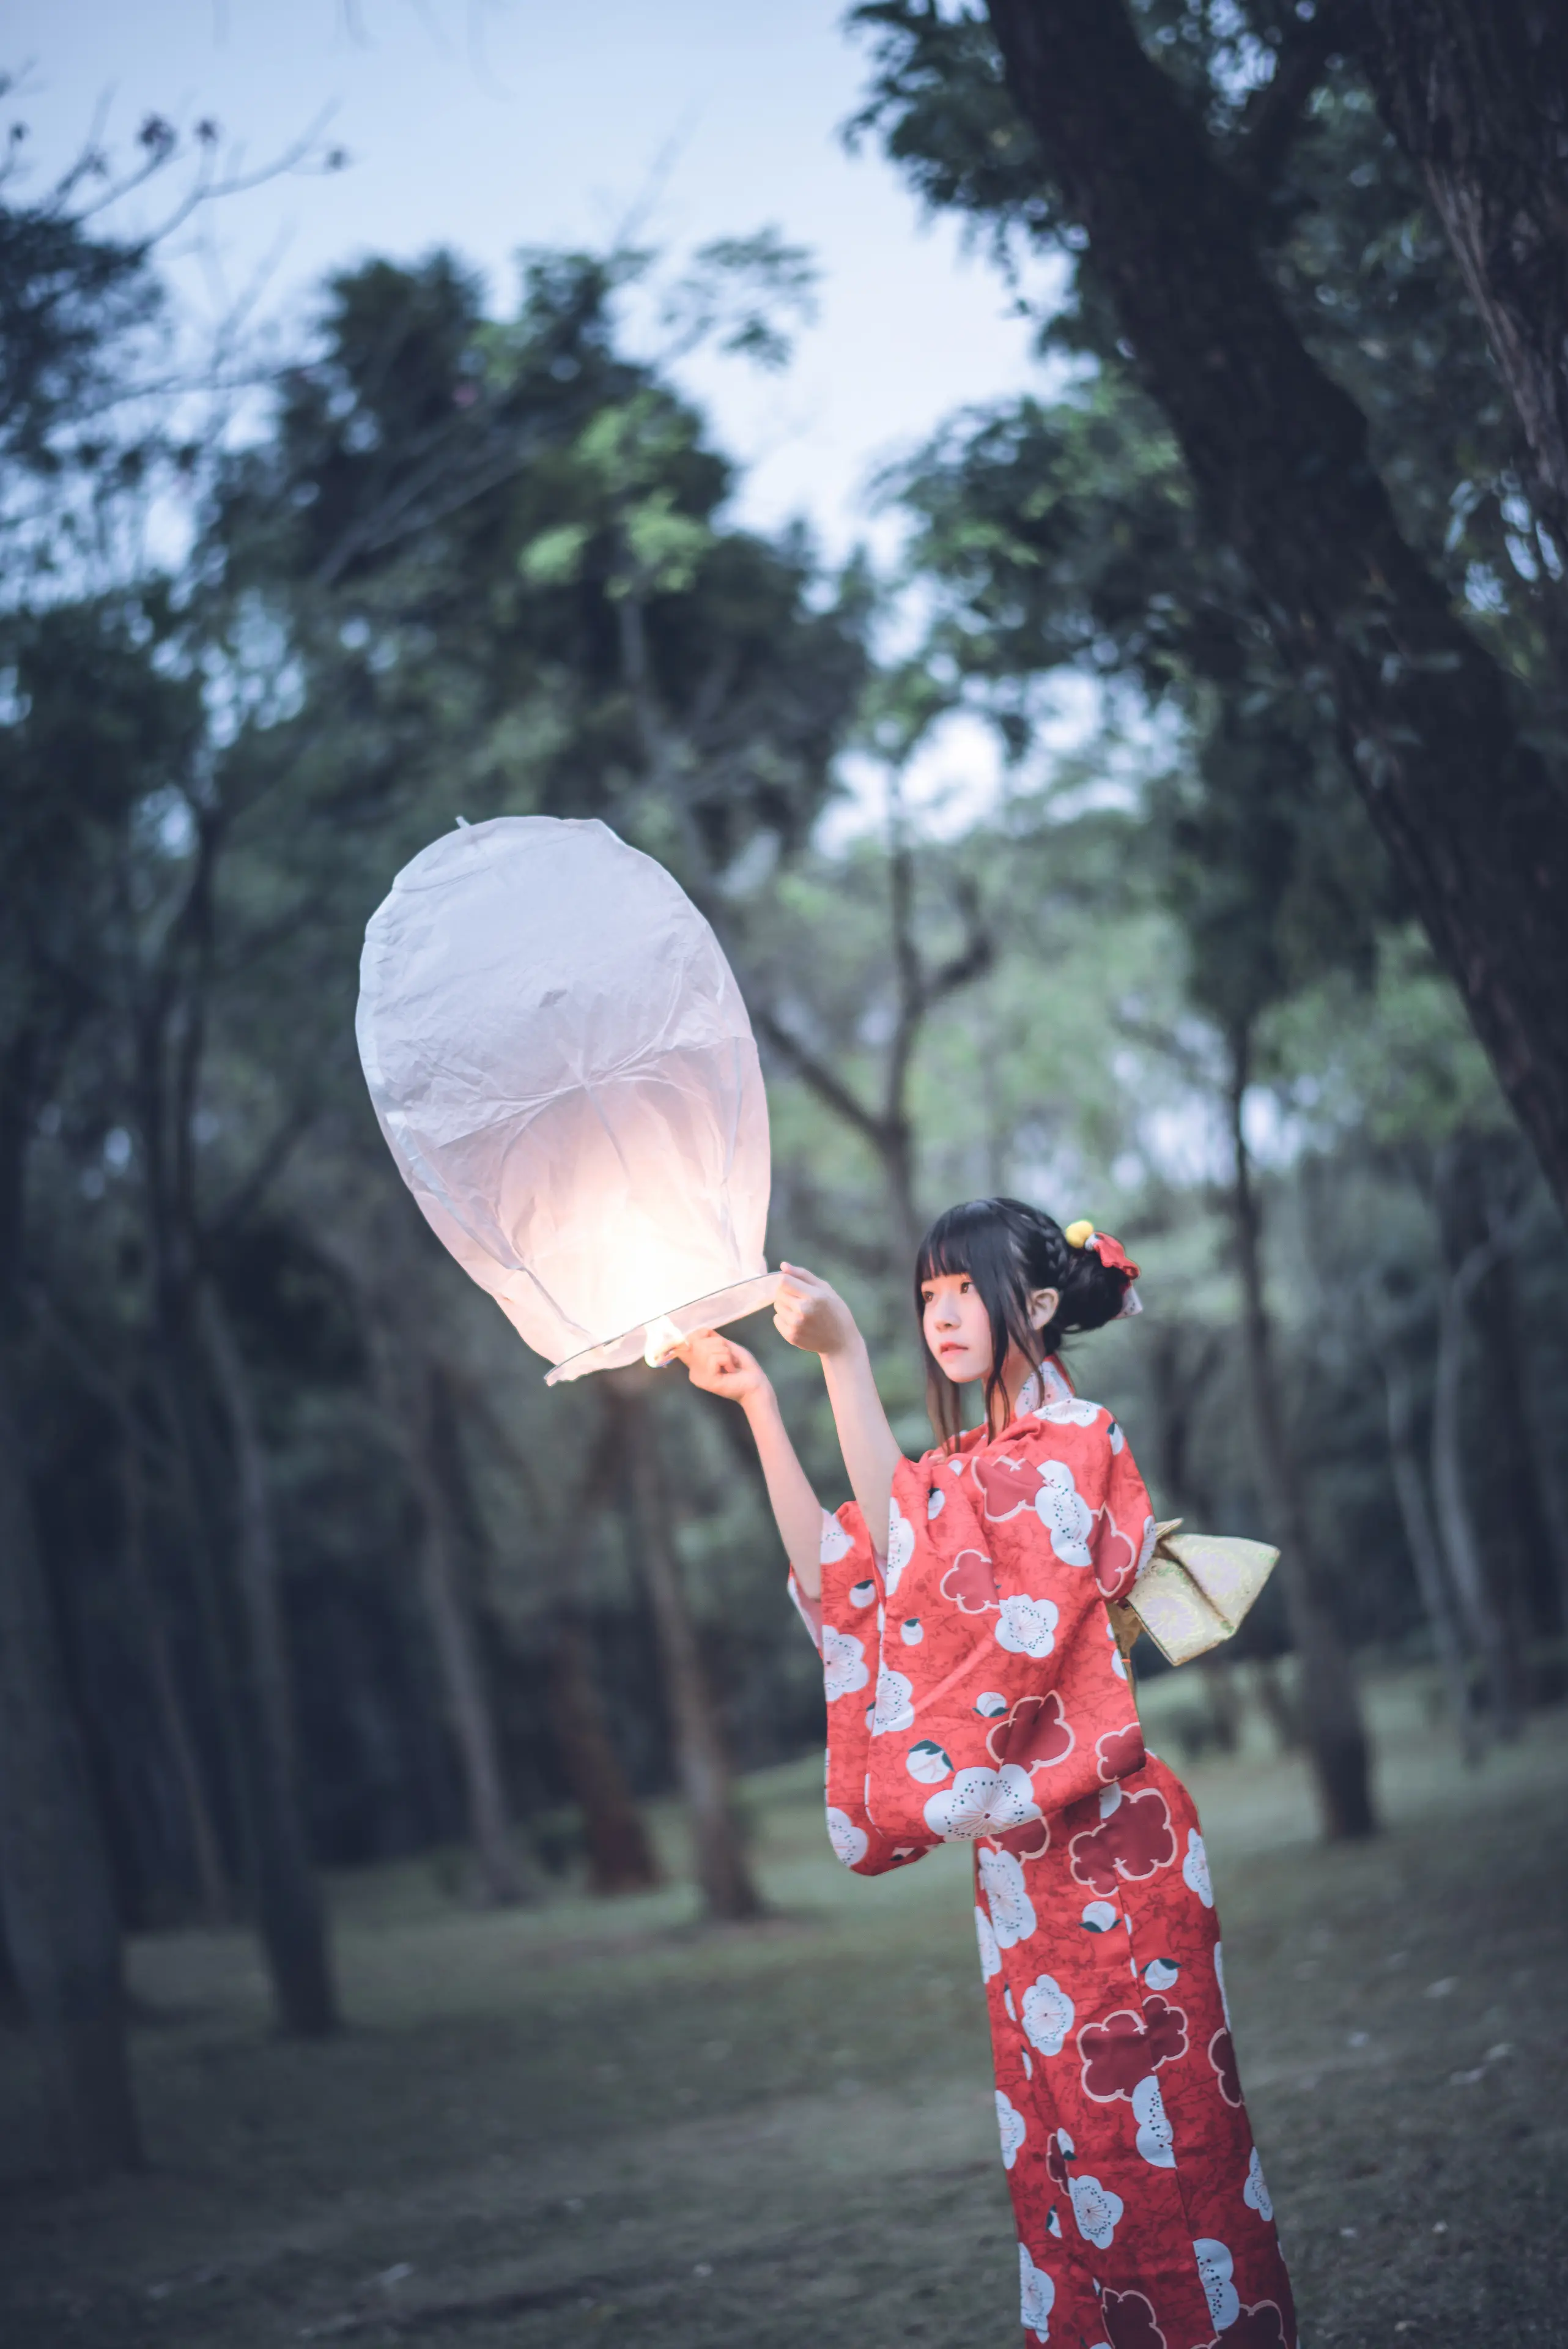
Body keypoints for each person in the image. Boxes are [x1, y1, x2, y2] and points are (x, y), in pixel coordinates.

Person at [677, 1196, 1296, 2349]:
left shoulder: (1076, 1444)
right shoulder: (969, 1464)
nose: (941, 1313)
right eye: (926, 1296)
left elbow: (925, 1557)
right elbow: (848, 1574)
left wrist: (847, 1359)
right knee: (1065, 2160)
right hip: (1024, 1878)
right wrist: (765, 1400)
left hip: (1118, 1854)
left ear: (1043, 1305)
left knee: (1163, 2154)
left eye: (964, 1288)